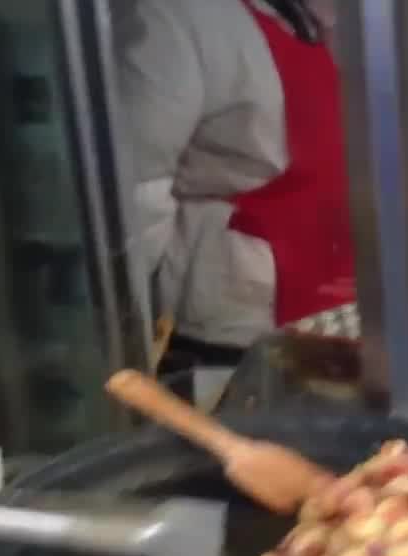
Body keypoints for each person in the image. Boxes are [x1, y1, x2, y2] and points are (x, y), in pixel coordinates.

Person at [115, 0, 352, 367]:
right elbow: (135, 190)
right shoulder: (180, 16)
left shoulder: (351, 21)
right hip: (235, 323)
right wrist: (127, 332)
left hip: (343, 305)